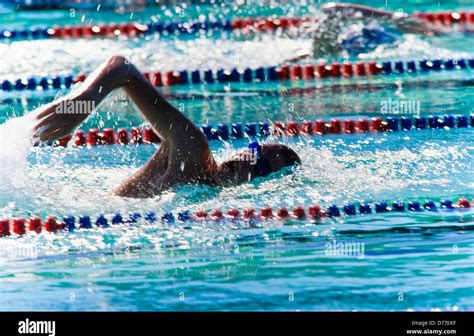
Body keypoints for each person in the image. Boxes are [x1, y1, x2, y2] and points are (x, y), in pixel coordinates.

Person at [30, 56, 301, 198]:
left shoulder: (206, 196)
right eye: (255, 149)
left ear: (267, 185)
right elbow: (123, 68)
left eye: (261, 166)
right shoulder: (194, 151)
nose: (247, 159)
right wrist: (87, 99)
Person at [287, 2, 450, 61]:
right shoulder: (408, 26)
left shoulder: (407, 36)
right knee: (334, 11)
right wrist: (395, 18)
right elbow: (335, 11)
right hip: (352, 48)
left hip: (350, 50)